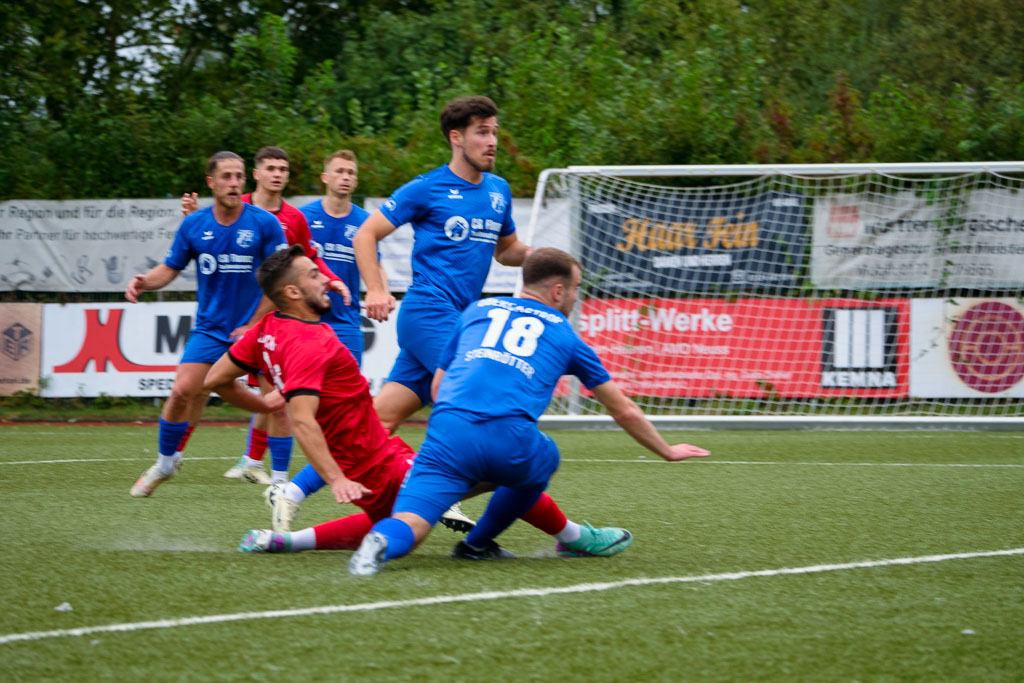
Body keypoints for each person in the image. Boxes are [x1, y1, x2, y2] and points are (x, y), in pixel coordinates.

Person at [204, 245, 644, 557]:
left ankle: (283, 537)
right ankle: (570, 537)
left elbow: (216, 379)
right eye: (315, 274)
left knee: (398, 512)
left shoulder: (267, 329)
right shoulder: (309, 342)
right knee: (497, 468)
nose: (327, 276)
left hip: (375, 447)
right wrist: (335, 478)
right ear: (293, 293)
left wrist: (264, 405)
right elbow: (303, 419)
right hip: (372, 458)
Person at [347, 248, 711, 576]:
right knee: (544, 457)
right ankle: (476, 545)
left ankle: (377, 545)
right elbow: (624, 410)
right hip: (509, 439)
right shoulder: (566, 335)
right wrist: (666, 450)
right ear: (557, 291)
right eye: (575, 288)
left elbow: (439, 387)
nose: (575, 297)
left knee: (410, 522)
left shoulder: (477, 310)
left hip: (446, 431)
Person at [352, 95, 531, 434]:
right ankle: (434, 482)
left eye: (494, 132)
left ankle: (296, 489)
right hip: (428, 311)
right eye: (481, 132)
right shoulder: (426, 188)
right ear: (456, 137)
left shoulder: (499, 190)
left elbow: (506, 251)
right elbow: (365, 234)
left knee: (378, 422)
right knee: (476, 396)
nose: (492, 141)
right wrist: (375, 289)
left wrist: (538, 256)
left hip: (461, 317)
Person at [182, 146, 351, 486]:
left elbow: (310, 259)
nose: (277, 174)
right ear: (255, 174)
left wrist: (330, 280)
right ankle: (178, 455)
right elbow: (201, 236)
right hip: (229, 323)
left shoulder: (294, 218)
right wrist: (189, 215)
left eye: (283, 169)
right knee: (198, 387)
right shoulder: (234, 206)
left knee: (276, 394)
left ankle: (267, 469)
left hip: (275, 319)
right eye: (270, 168)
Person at [127, 151, 289, 498]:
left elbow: (281, 278)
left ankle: (280, 481)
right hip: (211, 329)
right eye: (227, 177)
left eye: (239, 176)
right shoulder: (194, 224)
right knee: (182, 390)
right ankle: (165, 463)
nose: (234, 183)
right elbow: (170, 268)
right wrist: (144, 282)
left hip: (259, 329)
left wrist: (254, 322)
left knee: (276, 400)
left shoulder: (264, 223)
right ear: (211, 182)